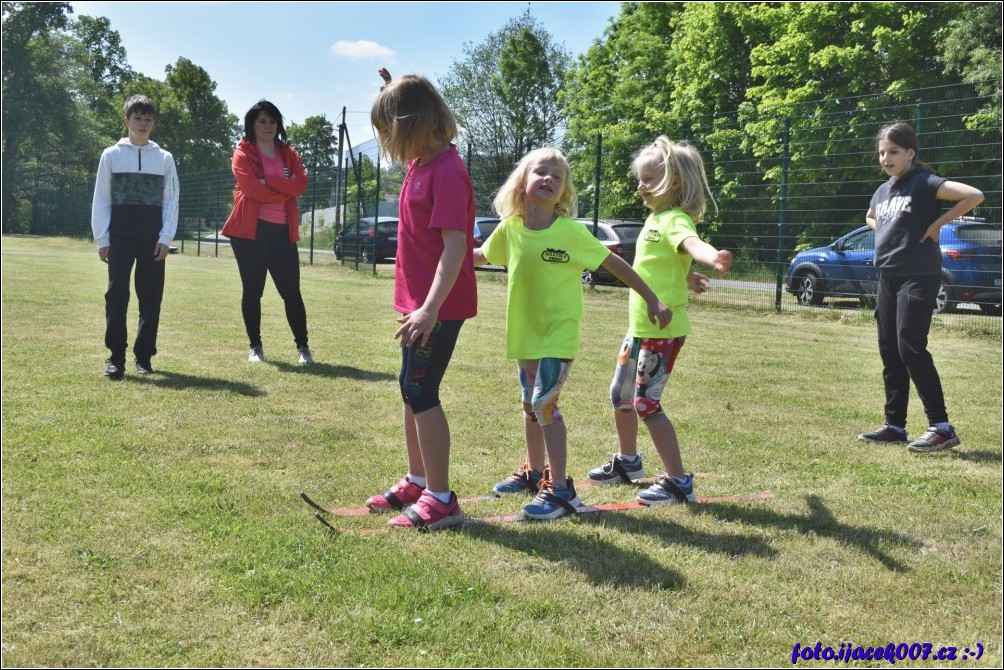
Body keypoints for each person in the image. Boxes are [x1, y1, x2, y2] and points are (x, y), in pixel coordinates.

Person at [475, 147, 673, 520]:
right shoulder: (511, 228)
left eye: (558, 176)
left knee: (544, 404)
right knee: (530, 405)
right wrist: (441, 254)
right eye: (541, 172)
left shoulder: (570, 232)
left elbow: (615, 263)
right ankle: (535, 474)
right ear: (522, 181)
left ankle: (563, 491)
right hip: (524, 334)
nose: (548, 179)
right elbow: (481, 257)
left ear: (564, 192)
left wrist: (651, 297)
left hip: (558, 335)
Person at [585, 137, 733, 506]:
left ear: (675, 183)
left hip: (663, 332)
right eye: (640, 179)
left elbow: (691, 244)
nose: (641, 186)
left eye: (649, 180)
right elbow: (664, 261)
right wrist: (687, 277)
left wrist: (713, 258)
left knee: (646, 403)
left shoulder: (675, 219)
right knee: (620, 396)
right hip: (638, 328)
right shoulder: (654, 219)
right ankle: (628, 462)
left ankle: (679, 483)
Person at [366, 70, 477, 530]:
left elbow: (455, 246)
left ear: (411, 124)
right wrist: (391, 92)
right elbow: (413, 106)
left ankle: (441, 498)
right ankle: (418, 480)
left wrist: (430, 308)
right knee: (408, 386)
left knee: (421, 390)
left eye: (389, 129)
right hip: (418, 305)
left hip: (438, 306)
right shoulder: (422, 162)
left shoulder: (447, 171)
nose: (388, 143)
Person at [857, 122, 984, 453]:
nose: (886, 158)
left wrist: (937, 224)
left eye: (893, 152)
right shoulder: (883, 191)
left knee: (910, 346)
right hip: (888, 276)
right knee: (889, 349)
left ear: (910, 152)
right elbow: (870, 216)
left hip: (918, 275)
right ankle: (894, 426)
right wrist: (884, 226)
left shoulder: (925, 182)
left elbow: (974, 195)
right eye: (882, 153)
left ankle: (941, 427)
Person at [92, 94, 180, 380]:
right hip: (119, 238)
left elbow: (171, 198)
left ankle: (144, 357)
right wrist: (102, 238)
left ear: (153, 123)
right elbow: (102, 198)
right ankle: (116, 357)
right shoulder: (111, 155)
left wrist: (165, 237)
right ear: (126, 120)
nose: (143, 123)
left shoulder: (164, 158)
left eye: (148, 119)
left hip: (152, 240)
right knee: (116, 295)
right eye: (137, 118)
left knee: (151, 298)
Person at [221, 100, 312, 365]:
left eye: (272, 121)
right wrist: (284, 187)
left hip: (283, 233)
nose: (267, 126)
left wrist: (268, 182)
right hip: (250, 234)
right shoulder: (242, 152)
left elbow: (301, 185)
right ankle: (255, 347)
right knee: (252, 292)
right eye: (262, 121)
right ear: (252, 124)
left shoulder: (289, 153)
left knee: (292, 293)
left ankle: (303, 348)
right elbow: (252, 190)